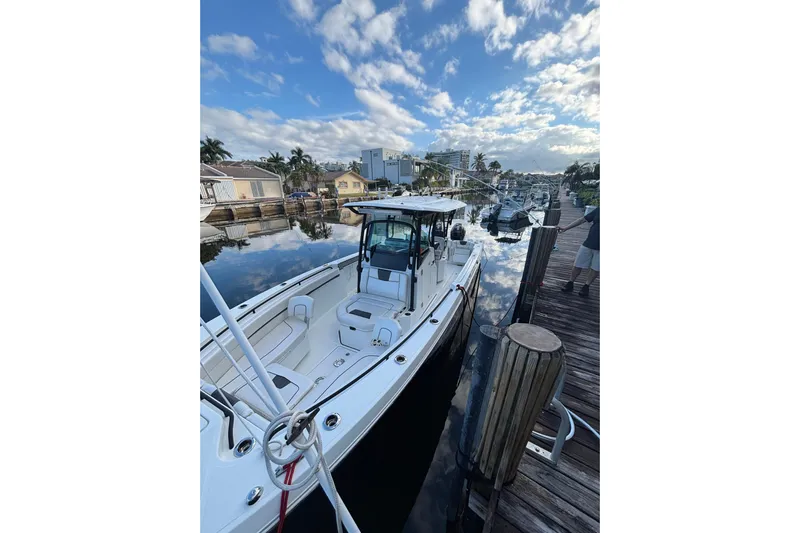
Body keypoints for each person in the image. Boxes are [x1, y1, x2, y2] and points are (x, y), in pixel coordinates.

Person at [557, 206, 599, 297]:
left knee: (596, 268)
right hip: (589, 243)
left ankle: (586, 286)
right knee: (577, 264)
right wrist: (565, 228)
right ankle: (570, 282)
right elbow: (582, 220)